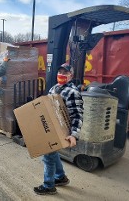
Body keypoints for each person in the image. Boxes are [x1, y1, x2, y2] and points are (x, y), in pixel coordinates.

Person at [34, 63, 84, 195]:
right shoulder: (54, 88)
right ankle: (60, 177)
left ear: (71, 76)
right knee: (52, 153)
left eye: (65, 73)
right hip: (51, 127)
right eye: (60, 72)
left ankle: (49, 185)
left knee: (48, 155)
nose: (61, 74)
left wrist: (74, 135)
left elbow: (77, 115)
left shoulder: (73, 92)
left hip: (62, 130)